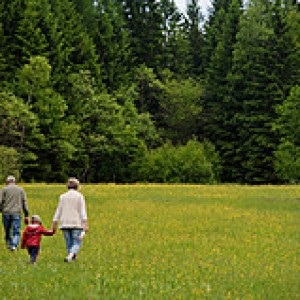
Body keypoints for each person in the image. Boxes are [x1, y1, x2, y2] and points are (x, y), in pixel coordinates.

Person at [52, 177, 88, 262]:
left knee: (69, 242)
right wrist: (85, 223)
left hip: (64, 223)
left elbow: (58, 210)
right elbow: (82, 211)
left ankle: (71, 257)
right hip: (76, 222)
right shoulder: (79, 196)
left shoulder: (62, 196)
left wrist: (54, 222)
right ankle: (70, 256)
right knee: (77, 242)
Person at [0, 175, 29, 251]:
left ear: (7, 182)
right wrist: (26, 215)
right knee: (16, 231)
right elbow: (24, 202)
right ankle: (14, 245)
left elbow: (0, 202)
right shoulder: (21, 190)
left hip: (6, 213)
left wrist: (1, 210)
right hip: (17, 213)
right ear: (14, 181)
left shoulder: (3, 189)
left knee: (7, 230)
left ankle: (10, 245)